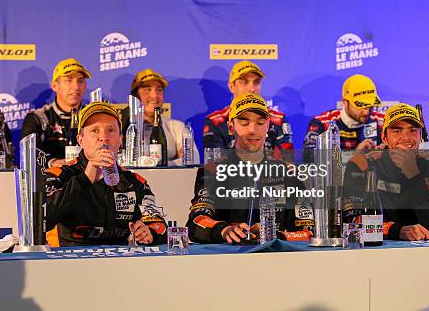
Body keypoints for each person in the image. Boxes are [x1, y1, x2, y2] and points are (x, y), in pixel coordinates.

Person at [188, 92, 314, 244]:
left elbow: (309, 230)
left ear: (268, 126)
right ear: (231, 127)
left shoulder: (288, 173)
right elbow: (196, 222)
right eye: (244, 122)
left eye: (260, 123)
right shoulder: (212, 171)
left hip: (278, 260)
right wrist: (224, 230)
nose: (253, 130)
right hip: (228, 260)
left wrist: (275, 234)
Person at [43, 101, 167, 247]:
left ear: (120, 140)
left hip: (118, 265)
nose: (103, 137)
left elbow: (159, 226)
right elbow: (44, 220)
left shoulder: (135, 182)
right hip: (64, 263)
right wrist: (86, 177)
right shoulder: (58, 174)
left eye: (111, 130)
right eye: (95, 130)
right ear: (80, 140)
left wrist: (150, 232)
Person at [342, 103, 429, 241]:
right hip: (376, 252)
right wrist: (396, 230)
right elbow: (351, 222)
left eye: (413, 130)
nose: (406, 137)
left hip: (424, 252)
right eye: (397, 131)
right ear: (384, 138)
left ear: (420, 136)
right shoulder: (361, 164)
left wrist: (413, 175)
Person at [203, 60, 293, 157]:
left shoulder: (278, 120)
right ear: (231, 86)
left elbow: (287, 163)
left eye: (256, 82)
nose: (251, 89)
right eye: (244, 82)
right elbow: (214, 165)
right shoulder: (216, 122)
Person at [121, 68, 199, 166]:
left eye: (159, 90)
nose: (155, 96)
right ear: (136, 96)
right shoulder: (122, 128)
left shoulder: (177, 127)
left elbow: (193, 159)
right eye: (147, 89)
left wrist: (159, 165)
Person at [22, 58, 90, 168]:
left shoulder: (94, 118)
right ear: (54, 86)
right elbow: (29, 153)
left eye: (80, 81)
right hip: (51, 179)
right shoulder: (37, 118)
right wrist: (52, 162)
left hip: (88, 180)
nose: (76, 87)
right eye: (68, 80)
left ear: (85, 86)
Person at [304, 74, 384, 156]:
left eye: (370, 106)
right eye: (360, 106)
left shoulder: (382, 122)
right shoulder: (323, 123)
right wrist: (354, 156)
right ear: (345, 102)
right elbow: (311, 160)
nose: (366, 112)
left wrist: (387, 153)